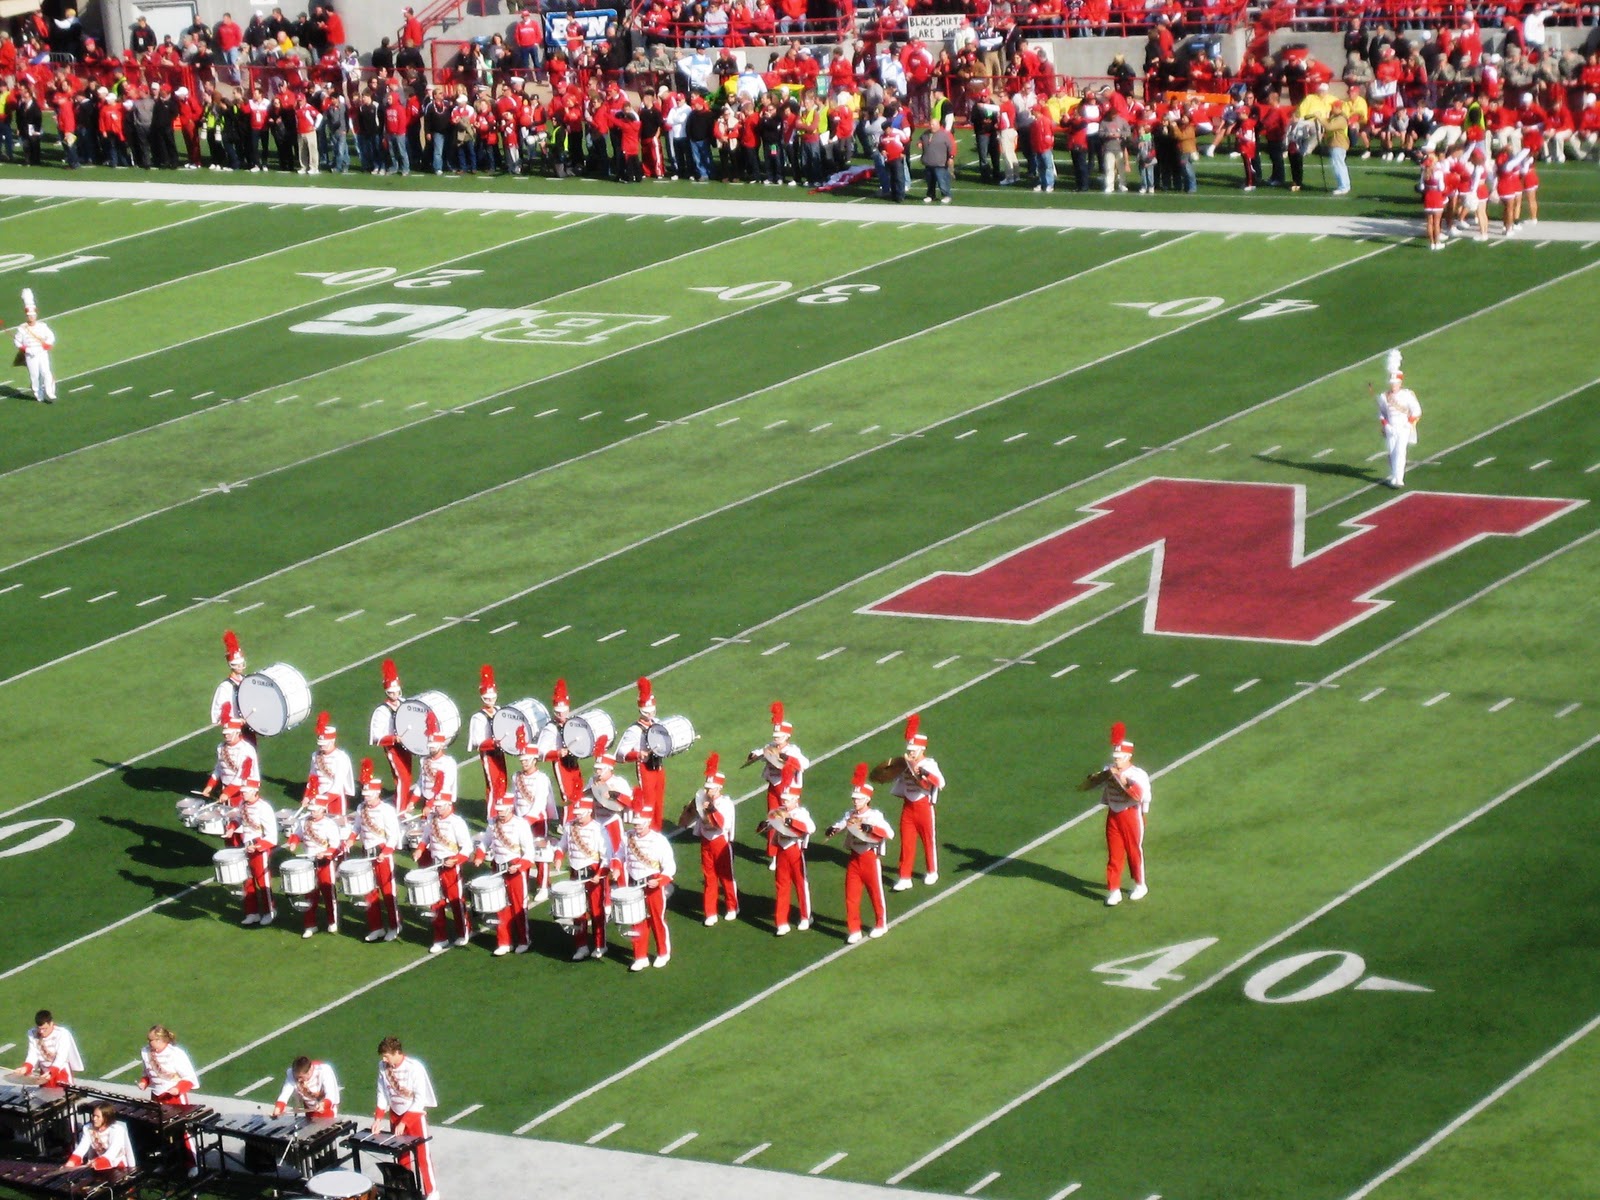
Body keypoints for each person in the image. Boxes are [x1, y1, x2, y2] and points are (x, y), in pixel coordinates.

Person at [1078, 723, 1150, 906]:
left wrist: (1122, 778)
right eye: (1116, 757)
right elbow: (1094, 785)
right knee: (1114, 853)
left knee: (1134, 851)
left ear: (1128, 756)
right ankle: (1114, 889)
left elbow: (1140, 795)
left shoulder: (1138, 773)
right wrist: (1097, 777)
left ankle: (1140, 884)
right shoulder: (1108, 768)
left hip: (1131, 815)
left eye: (1120, 757)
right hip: (1114, 814)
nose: (1117, 760)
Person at [824, 765, 894, 943]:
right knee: (851, 895)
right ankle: (854, 929)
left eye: (859, 799)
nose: (855, 801)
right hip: (854, 857)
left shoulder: (874, 816)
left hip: (870, 857)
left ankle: (881, 923)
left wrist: (871, 828)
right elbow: (841, 824)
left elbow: (889, 833)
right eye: (854, 799)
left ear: (867, 799)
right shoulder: (850, 814)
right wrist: (833, 829)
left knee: (875, 893)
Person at [373, 1037, 437, 1200]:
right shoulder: (383, 1067)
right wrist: (378, 1118)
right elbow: (382, 1093)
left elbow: (419, 1099)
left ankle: (431, 1192)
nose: (383, 1059)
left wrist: (405, 1121)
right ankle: (407, 1190)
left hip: (413, 1116)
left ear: (396, 1053)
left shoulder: (414, 1068)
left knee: (422, 1156)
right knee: (402, 1156)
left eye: (386, 1056)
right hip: (395, 1114)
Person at [678, 753, 737, 926]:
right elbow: (687, 819)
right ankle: (710, 912)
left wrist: (710, 809)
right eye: (707, 788)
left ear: (719, 788)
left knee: (726, 877)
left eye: (711, 788)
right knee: (709, 877)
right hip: (706, 841)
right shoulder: (701, 800)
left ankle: (732, 906)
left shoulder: (725, 803)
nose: (708, 791)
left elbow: (721, 824)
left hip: (720, 841)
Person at [473, 797, 535, 956]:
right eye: (498, 810)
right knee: (499, 906)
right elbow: (484, 842)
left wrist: (519, 866)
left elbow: (529, 852)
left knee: (518, 906)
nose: (499, 813)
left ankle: (523, 940)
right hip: (497, 868)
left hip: (515, 869)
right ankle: (504, 942)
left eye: (502, 810)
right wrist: (479, 855)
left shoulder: (521, 824)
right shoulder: (493, 824)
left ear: (510, 809)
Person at [890, 715, 944, 891]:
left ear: (921, 749)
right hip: (908, 806)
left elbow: (940, 782)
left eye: (914, 750)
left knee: (928, 840)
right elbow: (896, 782)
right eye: (910, 749)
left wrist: (924, 774)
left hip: (924, 806)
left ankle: (932, 871)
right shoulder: (906, 764)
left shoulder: (929, 764)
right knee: (906, 842)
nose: (911, 752)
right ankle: (905, 876)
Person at [617, 805, 675, 971]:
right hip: (635, 885)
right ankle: (640, 956)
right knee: (636, 921)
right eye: (635, 823)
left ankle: (663, 953)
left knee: (657, 920)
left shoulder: (659, 840)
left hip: (653, 885)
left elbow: (669, 866)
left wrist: (659, 881)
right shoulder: (627, 837)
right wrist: (615, 866)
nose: (637, 826)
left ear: (648, 822)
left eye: (640, 823)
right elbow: (619, 855)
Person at [349, 759, 401, 942]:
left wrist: (385, 852)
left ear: (377, 793)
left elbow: (393, 834)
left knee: (388, 892)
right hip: (366, 853)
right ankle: (376, 926)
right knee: (368, 891)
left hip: (381, 854)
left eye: (369, 795)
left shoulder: (386, 810)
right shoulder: (360, 808)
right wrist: (349, 840)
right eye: (365, 794)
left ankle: (395, 925)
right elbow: (356, 828)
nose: (366, 798)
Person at [751, 702, 807, 866]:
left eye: (779, 737)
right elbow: (761, 753)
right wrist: (754, 754)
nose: (776, 739)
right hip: (773, 787)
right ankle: (774, 855)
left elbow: (804, 764)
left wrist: (787, 759)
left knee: (789, 820)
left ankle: (795, 848)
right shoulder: (770, 747)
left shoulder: (793, 751)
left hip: (788, 790)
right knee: (772, 818)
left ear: (787, 737)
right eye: (775, 737)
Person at [418, 788, 472, 954]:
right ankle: (440, 937)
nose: (438, 809)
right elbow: (425, 838)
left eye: (441, 806)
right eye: (437, 806)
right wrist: (420, 849)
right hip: (435, 865)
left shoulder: (457, 822)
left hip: (450, 866)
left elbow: (467, 847)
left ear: (449, 805)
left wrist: (455, 860)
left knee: (455, 900)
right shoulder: (432, 820)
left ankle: (464, 931)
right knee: (435, 902)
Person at [559, 796, 612, 961]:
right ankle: (581, 946)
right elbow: (562, 845)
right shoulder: (570, 827)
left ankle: (600, 945)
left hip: (593, 873)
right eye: (577, 813)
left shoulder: (599, 830)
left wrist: (599, 875)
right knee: (577, 911)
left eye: (581, 813)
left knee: (597, 911)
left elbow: (607, 856)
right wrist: (559, 856)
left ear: (589, 812)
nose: (578, 816)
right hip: (576, 873)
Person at [139, 1025, 199, 1170]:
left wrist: (177, 1089)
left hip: (175, 1098)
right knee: (160, 1130)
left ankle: (193, 1163)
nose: (149, 1043)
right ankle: (166, 1161)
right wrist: (144, 1082)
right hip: (157, 1096)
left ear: (160, 1040)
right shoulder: (146, 1052)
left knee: (183, 1129)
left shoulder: (176, 1054)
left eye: (151, 1040)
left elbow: (189, 1078)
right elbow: (148, 1072)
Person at [286, 789, 343, 938]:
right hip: (308, 862)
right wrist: (293, 843)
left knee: (328, 892)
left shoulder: (329, 824)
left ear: (323, 809)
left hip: (324, 862)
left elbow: (335, 844)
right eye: (311, 810)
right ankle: (310, 924)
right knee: (309, 893)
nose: (312, 813)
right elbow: (296, 834)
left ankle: (332, 921)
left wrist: (325, 853)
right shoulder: (304, 821)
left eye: (315, 810)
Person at [760, 784, 814, 935]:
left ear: (796, 800)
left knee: (800, 884)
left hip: (795, 850)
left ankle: (805, 916)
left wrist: (790, 821)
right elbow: (769, 826)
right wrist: (766, 825)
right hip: (782, 851)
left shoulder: (801, 813)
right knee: (781, 886)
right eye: (784, 800)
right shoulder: (779, 812)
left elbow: (810, 828)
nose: (784, 803)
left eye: (788, 800)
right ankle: (781, 921)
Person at [617, 677, 666, 829]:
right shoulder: (634, 730)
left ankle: (656, 831)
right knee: (648, 803)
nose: (650, 714)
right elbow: (620, 754)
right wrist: (638, 754)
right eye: (647, 711)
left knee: (659, 803)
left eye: (652, 710)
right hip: (645, 769)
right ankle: (647, 831)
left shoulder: (658, 722)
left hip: (659, 767)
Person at [226, 783, 279, 925]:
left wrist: (257, 847)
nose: (242, 795)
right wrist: (232, 828)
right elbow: (238, 818)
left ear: (254, 792)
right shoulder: (243, 803)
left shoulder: (264, 808)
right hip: (246, 846)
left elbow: (272, 836)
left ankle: (270, 911)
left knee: (262, 882)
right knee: (247, 880)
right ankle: (252, 912)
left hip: (259, 849)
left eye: (245, 792)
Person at [370, 659, 414, 814]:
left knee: (406, 776)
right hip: (393, 748)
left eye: (396, 691)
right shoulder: (382, 711)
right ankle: (400, 811)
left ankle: (400, 801)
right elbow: (376, 737)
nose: (395, 695)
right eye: (391, 692)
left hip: (406, 746)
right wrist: (394, 739)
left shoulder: (405, 702)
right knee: (403, 777)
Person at [466, 665, 507, 821]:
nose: (491, 701)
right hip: (489, 755)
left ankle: (500, 813)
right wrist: (493, 743)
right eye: (487, 698)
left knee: (502, 782)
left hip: (499, 753)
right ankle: (492, 817)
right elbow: (477, 742)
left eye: (492, 697)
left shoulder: (499, 710)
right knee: (493, 785)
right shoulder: (479, 717)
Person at [1373, 364, 1421, 488]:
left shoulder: (1407, 395)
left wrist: (1409, 423)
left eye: (1395, 383)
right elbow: (1381, 413)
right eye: (1392, 383)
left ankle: (1399, 478)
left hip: (1404, 427)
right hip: (1391, 428)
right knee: (1392, 452)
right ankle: (1394, 476)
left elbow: (1417, 410)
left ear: (1400, 383)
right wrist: (1386, 425)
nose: (1393, 385)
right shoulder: (1384, 397)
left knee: (1400, 452)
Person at [201, 705, 261, 804]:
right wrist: (210, 785)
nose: (226, 736)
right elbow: (219, 768)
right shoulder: (221, 747)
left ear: (237, 733)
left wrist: (227, 793)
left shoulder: (246, 750)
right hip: (226, 789)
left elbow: (242, 775)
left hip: (244, 791)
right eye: (225, 734)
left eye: (229, 733)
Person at [14, 1010, 84, 1086]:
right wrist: (25, 1068)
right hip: (44, 1073)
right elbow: (32, 1054)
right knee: (43, 1095)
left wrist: (52, 1072)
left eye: (44, 1028)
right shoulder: (32, 1033)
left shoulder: (62, 1033)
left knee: (63, 1096)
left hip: (60, 1072)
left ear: (51, 1024)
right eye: (39, 1028)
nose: (41, 1032)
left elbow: (62, 1056)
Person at [307, 712, 354, 822]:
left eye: (324, 743)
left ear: (332, 740)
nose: (321, 746)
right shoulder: (315, 756)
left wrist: (322, 801)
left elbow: (337, 785)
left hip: (335, 798)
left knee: (337, 826)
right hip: (318, 796)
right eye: (320, 743)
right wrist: (307, 796)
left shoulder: (341, 757)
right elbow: (312, 777)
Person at [12, 293, 56, 404]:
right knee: (35, 375)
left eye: (33, 315)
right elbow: (17, 341)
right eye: (29, 316)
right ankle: (38, 394)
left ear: (35, 316)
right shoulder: (22, 328)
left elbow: (50, 336)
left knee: (46, 372)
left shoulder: (42, 326)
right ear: (27, 317)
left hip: (42, 352)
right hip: (30, 354)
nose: (31, 317)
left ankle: (50, 392)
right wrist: (26, 349)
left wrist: (47, 343)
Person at [409, 716, 457, 816]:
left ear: (441, 745)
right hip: (427, 802)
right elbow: (421, 783)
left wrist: (430, 805)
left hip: (443, 803)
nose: (431, 749)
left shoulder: (448, 762)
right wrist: (412, 801)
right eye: (430, 747)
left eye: (434, 747)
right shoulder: (424, 760)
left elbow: (445, 786)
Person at [66, 1103, 135, 1172]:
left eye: (98, 1116)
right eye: (93, 1115)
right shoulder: (88, 1128)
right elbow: (82, 1147)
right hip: (98, 1165)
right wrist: (71, 1162)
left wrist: (97, 1162)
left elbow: (112, 1152)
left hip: (118, 1166)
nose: (94, 1119)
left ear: (106, 1118)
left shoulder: (117, 1130)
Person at [273, 1055, 340, 1118]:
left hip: (327, 1110)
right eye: (296, 1077)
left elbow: (331, 1095)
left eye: (301, 1077)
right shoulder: (291, 1074)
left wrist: (323, 1104)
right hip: (309, 1110)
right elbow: (285, 1094)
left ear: (310, 1070)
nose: (299, 1080)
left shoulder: (324, 1071)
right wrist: (278, 1109)